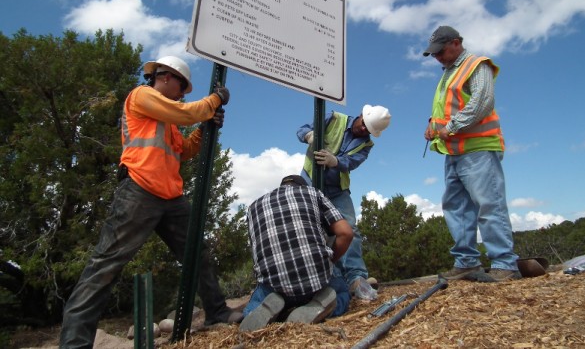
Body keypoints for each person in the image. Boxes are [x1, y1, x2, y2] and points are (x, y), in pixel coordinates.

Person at [60, 56, 241, 348]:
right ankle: (74, 344)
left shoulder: (166, 121)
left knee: (199, 253)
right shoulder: (141, 96)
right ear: (166, 77)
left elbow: (182, 151)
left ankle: (216, 312)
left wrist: (204, 129)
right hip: (139, 191)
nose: (183, 94)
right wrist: (215, 100)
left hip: (170, 197)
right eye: (182, 87)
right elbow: (187, 112)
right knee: (105, 266)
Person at [422, 26, 521, 282]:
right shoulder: (448, 74)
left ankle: (505, 264)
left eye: (440, 52)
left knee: (488, 204)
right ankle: (466, 262)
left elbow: (482, 101)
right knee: (456, 207)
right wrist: (433, 127)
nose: (437, 58)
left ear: (456, 43)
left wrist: (450, 127)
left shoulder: (476, 65)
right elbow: (448, 110)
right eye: (433, 54)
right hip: (453, 153)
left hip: (477, 149)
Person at [296, 105, 391, 300]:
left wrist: (335, 161)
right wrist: (310, 136)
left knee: (350, 230)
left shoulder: (366, 145)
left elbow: (352, 162)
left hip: (338, 190)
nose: (364, 131)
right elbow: (301, 129)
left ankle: (356, 278)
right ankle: (325, 276)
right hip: (309, 182)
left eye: (369, 130)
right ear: (360, 116)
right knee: (312, 229)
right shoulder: (333, 118)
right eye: (364, 125)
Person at [239, 175, 353, 332]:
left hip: (274, 283)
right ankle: (321, 308)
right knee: (342, 293)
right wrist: (331, 261)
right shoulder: (313, 193)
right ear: (302, 186)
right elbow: (345, 233)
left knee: (261, 295)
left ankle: (258, 311)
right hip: (317, 279)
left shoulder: (253, 207)